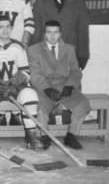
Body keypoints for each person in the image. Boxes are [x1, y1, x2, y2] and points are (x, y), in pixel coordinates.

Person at [0, 16, 42, 150]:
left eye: (7, 26)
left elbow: (26, 71)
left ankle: (32, 135)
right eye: (1, 27)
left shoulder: (18, 47)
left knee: (30, 94)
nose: (5, 30)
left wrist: (14, 83)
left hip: (14, 86)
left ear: (12, 28)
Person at [28, 20, 91, 149]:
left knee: (83, 103)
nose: (52, 36)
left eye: (56, 32)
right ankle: (45, 136)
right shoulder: (34, 50)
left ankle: (71, 136)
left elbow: (75, 71)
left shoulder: (69, 49)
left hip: (64, 86)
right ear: (44, 34)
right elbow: (34, 74)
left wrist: (69, 86)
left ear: (60, 34)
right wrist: (47, 89)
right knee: (40, 107)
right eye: (49, 32)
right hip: (44, 87)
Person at [32, 0, 89, 70]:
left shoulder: (79, 4)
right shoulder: (40, 3)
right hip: (46, 55)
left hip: (70, 54)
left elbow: (83, 31)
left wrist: (83, 56)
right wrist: (33, 55)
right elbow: (37, 31)